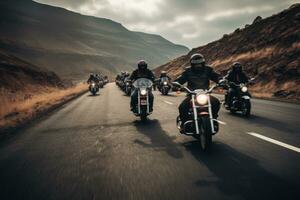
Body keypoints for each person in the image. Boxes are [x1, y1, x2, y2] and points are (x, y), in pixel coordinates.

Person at [174, 54, 222, 129]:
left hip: (205, 93)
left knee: (216, 102)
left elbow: (216, 76)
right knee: (182, 107)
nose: (198, 66)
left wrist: (221, 80)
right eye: (196, 64)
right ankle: (184, 124)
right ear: (192, 64)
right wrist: (177, 83)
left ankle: (213, 118)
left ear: (203, 63)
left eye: (200, 64)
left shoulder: (208, 70)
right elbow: (181, 79)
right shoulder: (188, 71)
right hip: (192, 94)